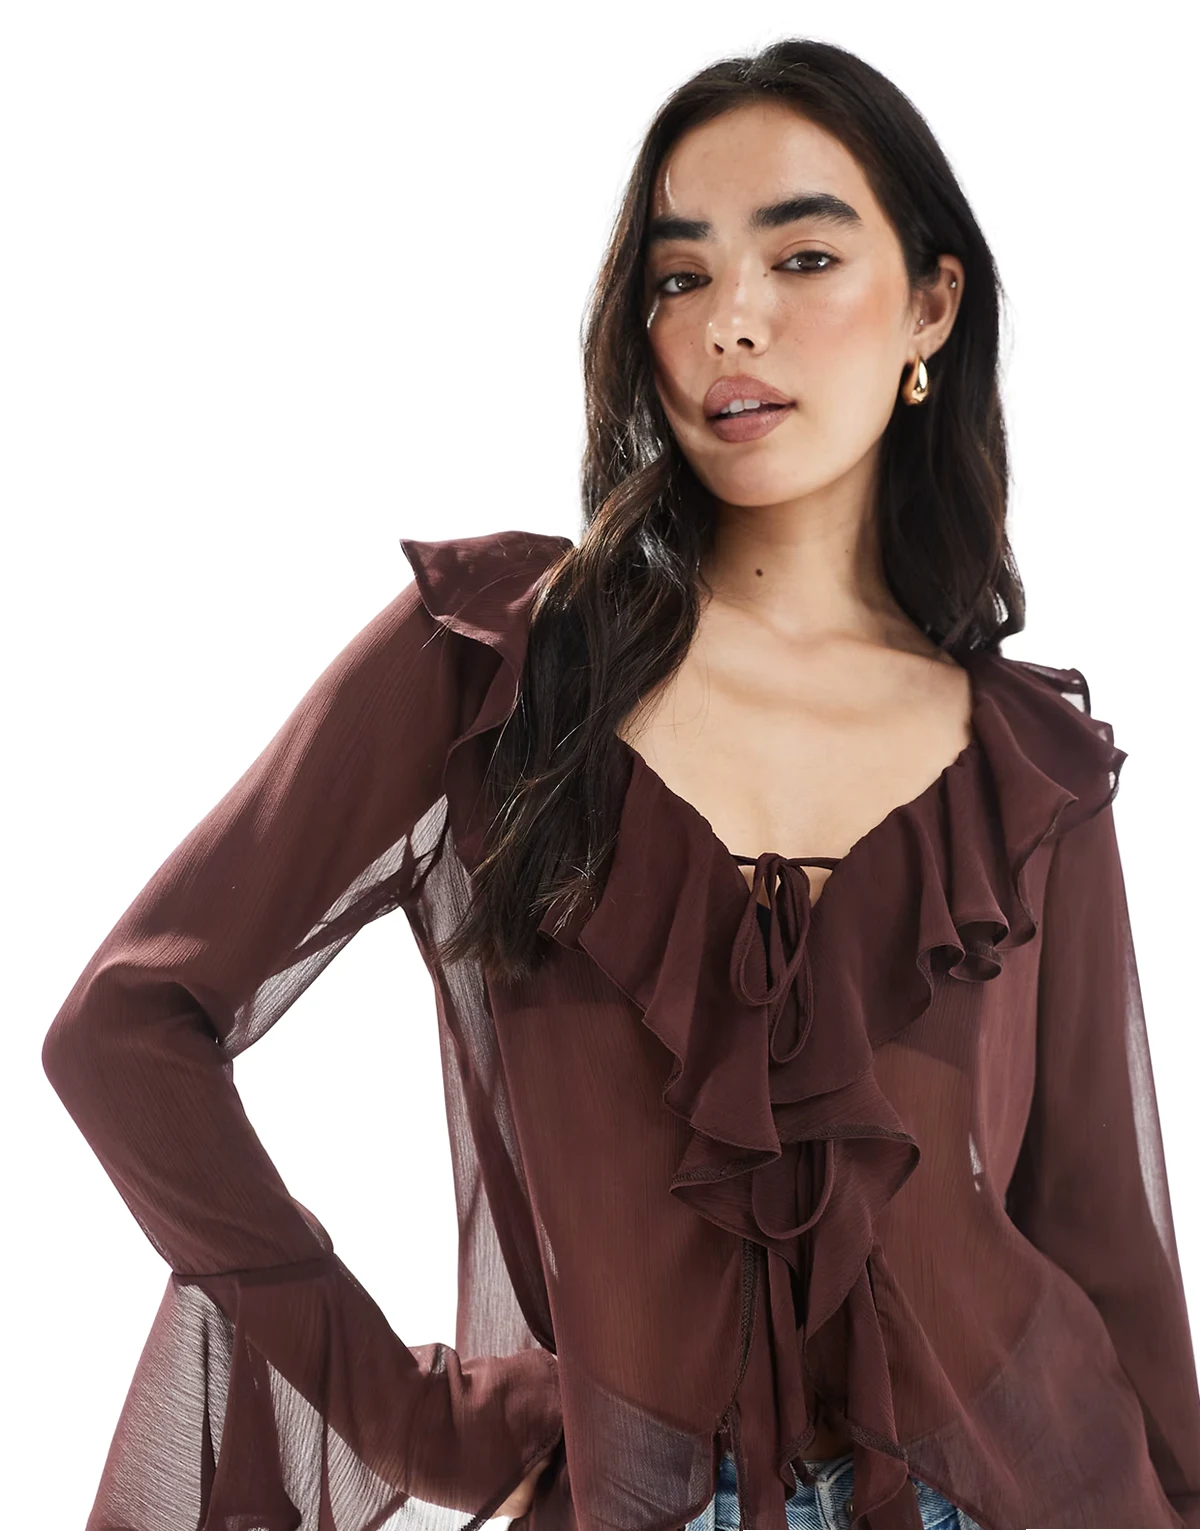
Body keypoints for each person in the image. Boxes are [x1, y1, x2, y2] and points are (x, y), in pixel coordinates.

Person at [43, 37, 1200, 1531]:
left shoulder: (1026, 770)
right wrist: (408, 1417)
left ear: (930, 304)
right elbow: (129, 1030)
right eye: (679, 276)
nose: (733, 321)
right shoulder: (492, 670)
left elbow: (1108, 1252)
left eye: (802, 257)